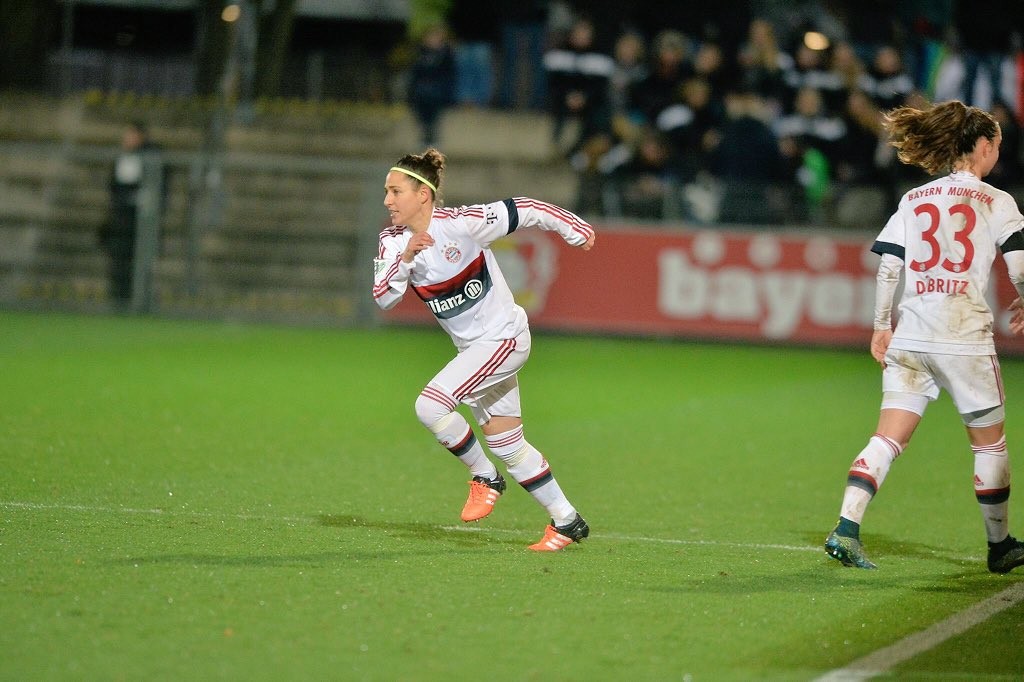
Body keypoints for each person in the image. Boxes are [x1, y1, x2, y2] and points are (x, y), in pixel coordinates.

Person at [824, 100, 1024, 574]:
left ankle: (846, 529)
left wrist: (880, 326)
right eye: (995, 143)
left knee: (887, 439)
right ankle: (1000, 546)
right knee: (989, 445)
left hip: (911, 336)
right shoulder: (998, 201)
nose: (997, 151)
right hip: (964, 339)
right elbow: (1019, 264)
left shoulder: (913, 200)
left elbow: (889, 264)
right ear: (980, 146)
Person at [373, 148, 595, 551]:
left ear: (423, 194)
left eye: (395, 191)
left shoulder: (462, 225)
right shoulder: (392, 243)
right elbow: (384, 298)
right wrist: (406, 260)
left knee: (430, 405)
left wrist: (572, 226)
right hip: (476, 352)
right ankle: (566, 520)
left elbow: (524, 208)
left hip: (504, 339)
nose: (387, 201)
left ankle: (485, 477)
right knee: (508, 445)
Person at [99, 120, 162, 307]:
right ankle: (121, 299)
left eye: (131, 135)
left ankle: (141, 300)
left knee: (142, 261)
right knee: (121, 260)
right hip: (122, 219)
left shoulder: (152, 155)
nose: (126, 139)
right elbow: (116, 187)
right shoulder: (125, 158)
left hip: (141, 220)